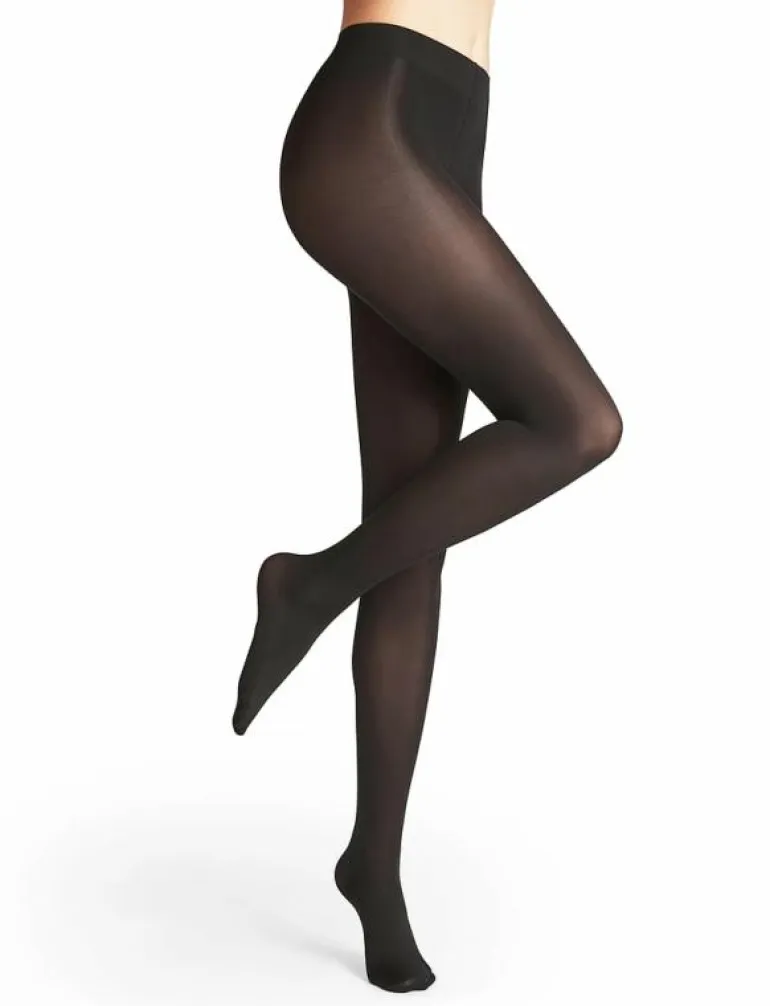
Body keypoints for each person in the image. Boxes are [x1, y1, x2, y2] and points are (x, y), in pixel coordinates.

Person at [233, 0, 623, 993]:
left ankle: (373, 863)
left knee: (413, 531)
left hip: (452, 122)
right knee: (577, 422)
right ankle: (308, 587)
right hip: (374, 124)